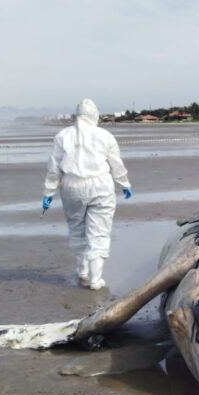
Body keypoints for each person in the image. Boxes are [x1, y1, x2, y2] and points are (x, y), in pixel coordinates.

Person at [41, 99, 132, 290]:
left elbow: (54, 168)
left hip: (71, 186)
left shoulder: (63, 136)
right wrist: (124, 184)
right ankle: (95, 279)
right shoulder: (105, 136)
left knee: (77, 227)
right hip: (101, 185)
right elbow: (116, 163)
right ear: (94, 115)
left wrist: (49, 192)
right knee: (99, 231)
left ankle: (82, 270)